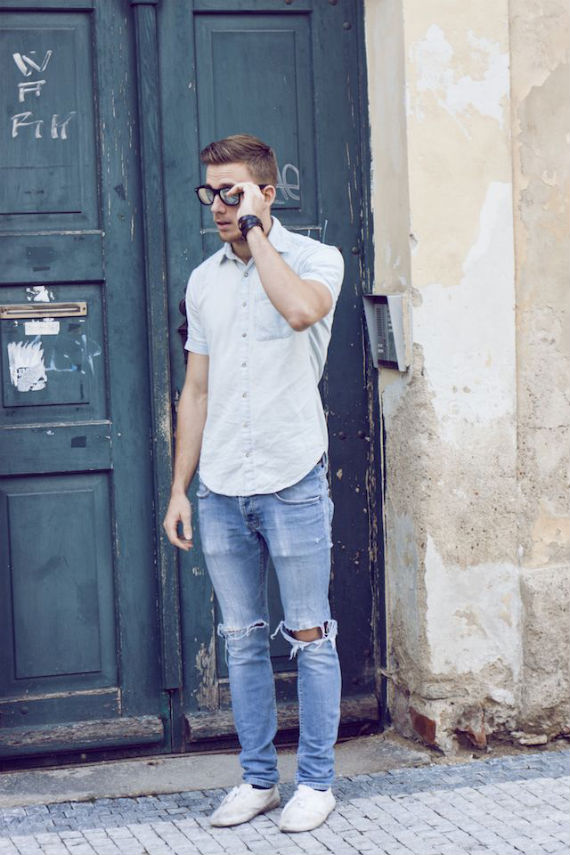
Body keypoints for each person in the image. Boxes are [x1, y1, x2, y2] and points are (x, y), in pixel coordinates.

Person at [163, 134, 344, 834]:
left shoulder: (316, 259)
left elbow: (299, 311)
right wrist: (180, 488)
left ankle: (317, 782)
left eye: (232, 192)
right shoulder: (203, 280)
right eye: (210, 193)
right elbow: (197, 389)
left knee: (309, 634)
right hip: (221, 486)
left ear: (267, 194)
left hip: (291, 477)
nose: (218, 205)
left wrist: (257, 236)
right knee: (241, 638)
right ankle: (259, 779)